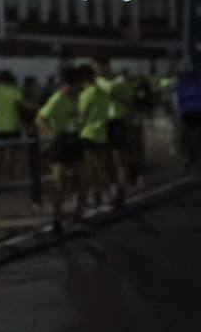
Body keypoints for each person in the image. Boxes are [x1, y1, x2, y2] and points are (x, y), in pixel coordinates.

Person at [36, 67, 86, 233]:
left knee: (82, 181)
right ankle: (57, 222)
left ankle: (79, 218)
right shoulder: (58, 98)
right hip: (62, 142)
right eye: (80, 83)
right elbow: (40, 118)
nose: (83, 86)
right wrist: (52, 135)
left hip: (76, 140)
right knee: (59, 184)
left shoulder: (78, 98)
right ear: (74, 83)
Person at [94, 57, 133, 206]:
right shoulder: (96, 81)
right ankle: (106, 191)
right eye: (95, 68)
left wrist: (128, 120)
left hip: (117, 123)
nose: (97, 70)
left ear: (107, 65)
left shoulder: (119, 81)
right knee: (102, 161)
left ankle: (120, 194)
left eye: (99, 67)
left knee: (119, 160)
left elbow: (127, 100)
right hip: (102, 123)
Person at [77, 64, 115, 208]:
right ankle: (105, 194)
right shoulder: (103, 93)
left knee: (91, 169)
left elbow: (82, 117)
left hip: (88, 135)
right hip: (102, 134)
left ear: (83, 79)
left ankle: (102, 195)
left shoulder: (85, 94)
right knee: (102, 167)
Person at [172, 68, 201, 173]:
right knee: (193, 139)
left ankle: (195, 161)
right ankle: (196, 161)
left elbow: (177, 102)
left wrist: (178, 114)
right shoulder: (195, 84)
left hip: (191, 113)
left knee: (191, 139)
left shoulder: (182, 85)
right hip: (193, 113)